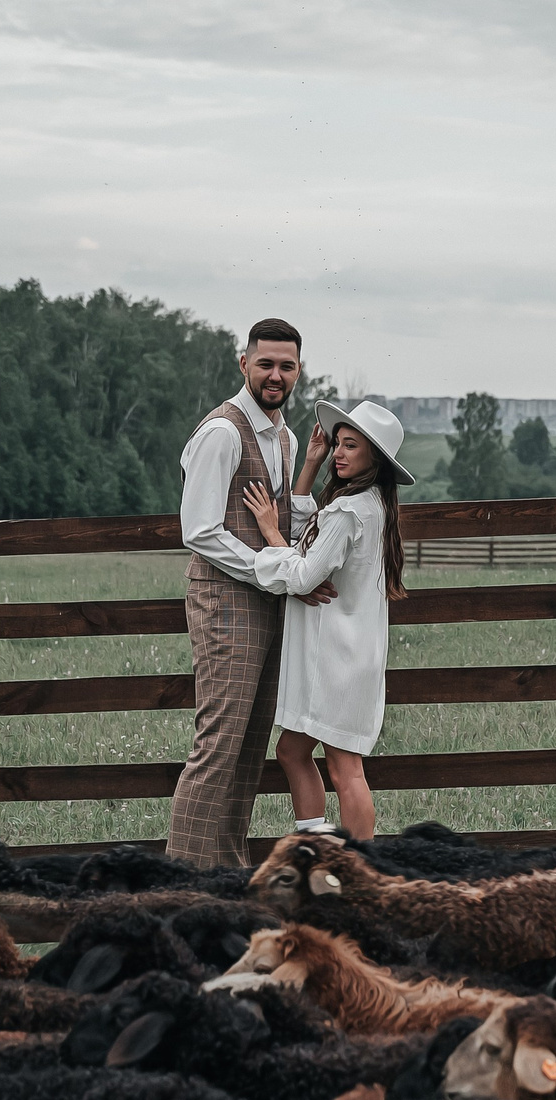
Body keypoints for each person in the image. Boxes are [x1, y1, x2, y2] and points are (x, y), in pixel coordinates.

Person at [163, 318, 332, 870]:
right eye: (266, 364)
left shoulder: (281, 437)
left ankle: (229, 874)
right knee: (217, 747)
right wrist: (269, 569)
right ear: (244, 364)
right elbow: (200, 529)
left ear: (299, 371)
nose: (276, 375)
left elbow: (283, 516)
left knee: (248, 748)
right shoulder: (223, 432)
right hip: (225, 605)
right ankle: (183, 880)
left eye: (287, 366)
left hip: (267, 606)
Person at [239, 398, 413, 841]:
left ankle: (360, 871)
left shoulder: (350, 511)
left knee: (344, 767)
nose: (339, 451)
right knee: (292, 750)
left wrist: (269, 532)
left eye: (350, 445)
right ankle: (316, 848)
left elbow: (302, 572)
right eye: (338, 442)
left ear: (374, 457)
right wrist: (312, 464)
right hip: (343, 653)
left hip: (336, 658)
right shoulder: (370, 505)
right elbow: (311, 536)